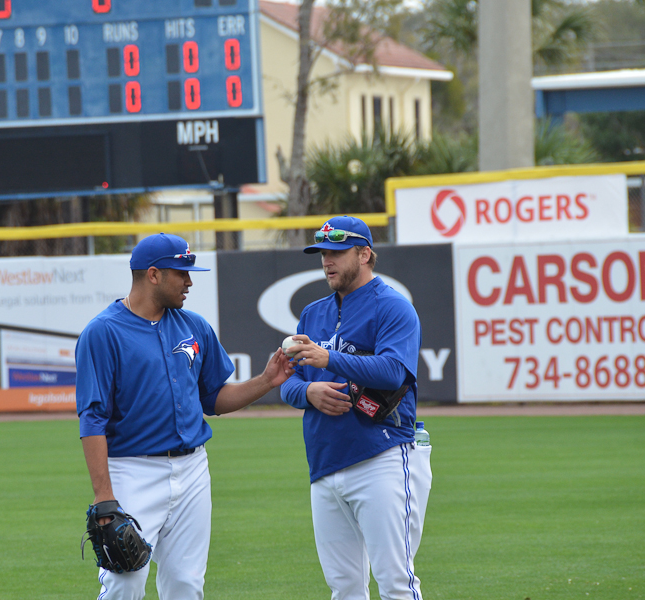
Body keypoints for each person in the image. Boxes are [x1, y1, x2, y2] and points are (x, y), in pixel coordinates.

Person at [76, 233, 293, 600]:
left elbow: (214, 398)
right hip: (133, 469)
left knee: (186, 585)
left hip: (193, 470)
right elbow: (92, 419)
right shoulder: (103, 333)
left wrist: (266, 381)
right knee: (123, 584)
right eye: (182, 273)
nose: (190, 282)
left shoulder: (194, 326)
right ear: (154, 275)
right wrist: (104, 499)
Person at [280, 216, 432, 600]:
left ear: (365, 254)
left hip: (380, 455)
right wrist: (308, 393)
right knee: (344, 588)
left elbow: (394, 371)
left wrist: (327, 358)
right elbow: (289, 383)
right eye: (322, 253)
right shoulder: (313, 314)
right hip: (325, 463)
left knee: (396, 581)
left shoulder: (394, 308)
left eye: (336, 252)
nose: (327, 261)